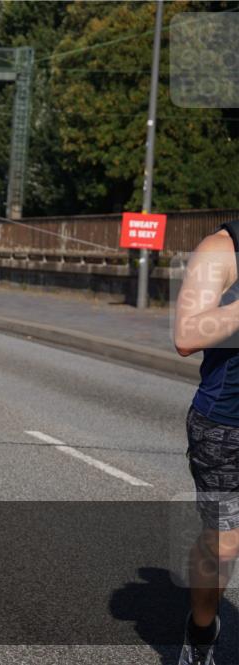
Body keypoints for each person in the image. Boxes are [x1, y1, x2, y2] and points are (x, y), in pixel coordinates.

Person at [173, 218, 239, 665]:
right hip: (226, 426)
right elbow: (186, 335)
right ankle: (201, 632)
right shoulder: (221, 249)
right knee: (224, 542)